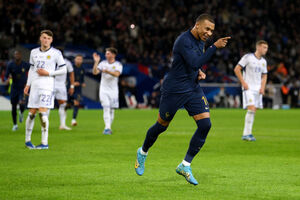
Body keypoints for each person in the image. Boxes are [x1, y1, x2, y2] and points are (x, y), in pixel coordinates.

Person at [134, 14, 230, 185]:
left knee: (205, 125)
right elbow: (193, 62)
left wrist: (198, 71)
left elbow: (194, 64)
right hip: (174, 90)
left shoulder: (201, 41)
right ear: (197, 25)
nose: (209, 33)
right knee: (161, 126)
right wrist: (214, 47)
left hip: (192, 88)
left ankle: (185, 165)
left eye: (212, 31)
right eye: (207, 29)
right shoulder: (183, 40)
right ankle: (142, 152)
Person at [24, 29, 67, 149]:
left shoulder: (56, 53)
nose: (46, 40)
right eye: (44, 37)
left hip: (47, 85)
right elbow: (32, 70)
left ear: (51, 40)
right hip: (35, 86)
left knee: (42, 113)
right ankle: (28, 140)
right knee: (32, 112)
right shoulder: (33, 52)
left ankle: (44, 143)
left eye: (48, 38)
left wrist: (48, 73)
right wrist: (28, 85)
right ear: (40, 38)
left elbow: (63, 69)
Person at [234, 40, 268, 141]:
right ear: (258, 47)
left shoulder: (263, 61)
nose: (266, 50)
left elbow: (264, 75)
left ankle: (248, 133)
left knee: (253, 111)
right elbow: (237, 69)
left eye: (267, 48)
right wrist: (243, 82)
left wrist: (262, 87)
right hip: (248, 87)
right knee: (251, 108)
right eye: (264, 47)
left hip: (258, 89)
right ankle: (246, 134)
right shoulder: (248, 57)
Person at [92, 48, 122, 135]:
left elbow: (117, 74)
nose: (106, 55)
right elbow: (95, 72)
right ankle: (107, 128)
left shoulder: (118, 64)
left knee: (111, 110)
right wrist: (96, 62)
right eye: (106, 53)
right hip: (103, 89)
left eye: (108, 53)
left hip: (113, 90)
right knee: (106, 107)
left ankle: (109, 127)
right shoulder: (103, 63)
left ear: (113, 55)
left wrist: (107, 71)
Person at [5, 50, 30, 131]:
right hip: (14, 88)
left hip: (22, 88)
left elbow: (32, 71)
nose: (17, 55)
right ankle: (15, 125)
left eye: (18, 54)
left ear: (21, 55)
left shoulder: (25, 64)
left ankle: (21, 113)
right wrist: (7, 79)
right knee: (14, 107)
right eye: (16, 54)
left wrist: (29, 81)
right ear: (14, 56)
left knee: (22, 103)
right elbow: (6, 76)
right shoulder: (10, 65)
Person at [53, 49, 75, 130]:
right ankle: (44, 124)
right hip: (50, 84)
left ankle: (62, 125)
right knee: (46, 105)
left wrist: (72, 86)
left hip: (61, 85)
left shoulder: (67, 62)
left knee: (63, 105)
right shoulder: (51, 61)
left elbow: (71, 73)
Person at [71, 55, 85, 126]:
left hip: (78, 89)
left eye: (80, 59)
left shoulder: (82, 68)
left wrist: (82, 83)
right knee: (66, 105)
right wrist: (72, 83)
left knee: (77, 103)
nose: (79, 60)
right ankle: (62, 122)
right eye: (78, 59)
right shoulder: (71, 67)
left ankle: (73, 120)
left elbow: (82, 79)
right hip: (70, 88)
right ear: (75, 59)